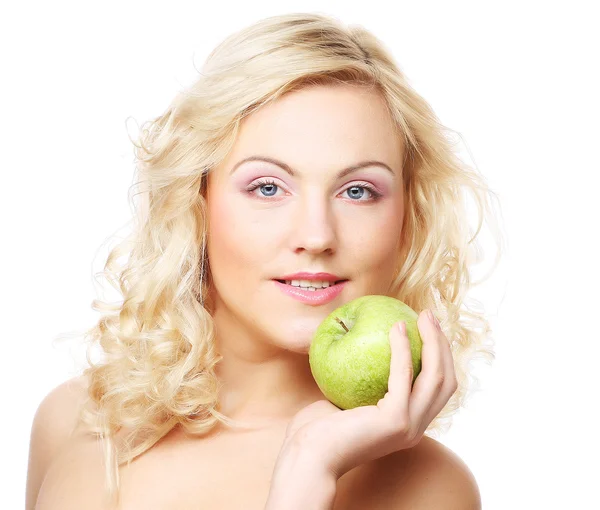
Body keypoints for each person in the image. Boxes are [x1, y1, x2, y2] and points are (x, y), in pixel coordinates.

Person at [26, 12, 503, 510]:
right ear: (198, 201)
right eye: (268, 187)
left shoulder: (428, 490)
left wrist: (308, 470)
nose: (317, 235)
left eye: (357, 191)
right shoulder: (74, 420)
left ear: (408, 218)